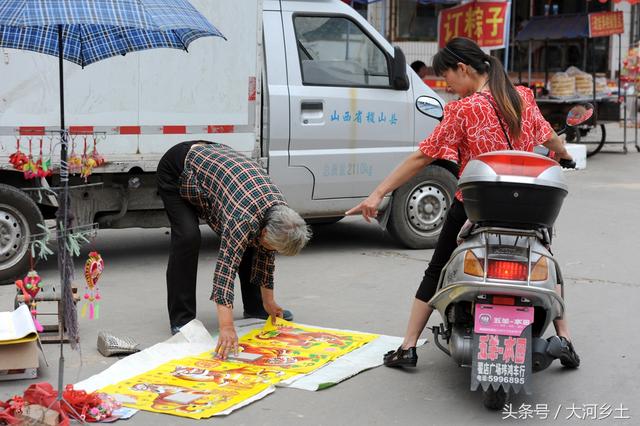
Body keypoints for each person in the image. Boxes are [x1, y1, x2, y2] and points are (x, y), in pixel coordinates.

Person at [346, 37, 580, 369]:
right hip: (529, 207)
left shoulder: (464, 110)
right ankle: (566, 339)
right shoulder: (522, 97)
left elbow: (421, 157)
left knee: (437, 268)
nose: (448, 87)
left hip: (476, 208)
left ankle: (408, 346)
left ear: (464, 68)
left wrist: (378, 193)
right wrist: (565, 154)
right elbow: (549, 137)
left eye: (448, 79)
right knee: (549, 268)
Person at [157, 141, 311, 359]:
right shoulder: (242, 218)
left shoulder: (279, 211)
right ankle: (182, 319)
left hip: (217, 170)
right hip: (179, 169)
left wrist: (269, 302)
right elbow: (224, 272)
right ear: (266, 232)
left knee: (253, 242)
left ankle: (256, 307)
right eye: (272, 245)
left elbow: (266, 254)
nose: (271, 251)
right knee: (188, 237)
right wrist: (226, 327)